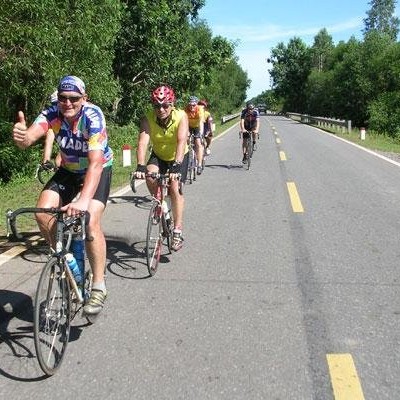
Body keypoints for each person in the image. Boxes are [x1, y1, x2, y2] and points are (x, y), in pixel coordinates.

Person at [12, 75, 113, 317]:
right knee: (43, 212)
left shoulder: (93, 116)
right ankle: (64, 256)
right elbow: (30, 137)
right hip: (68, 170)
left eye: (74, 99)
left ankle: (99, 285)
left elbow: (96, 164)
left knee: (90, 221)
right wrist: (22, 137)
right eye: (62, 98)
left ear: (84, 99)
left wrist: (82, 200)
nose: (67, 103)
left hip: (97, 169)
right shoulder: (52, 113)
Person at [134, 85, 189, 251]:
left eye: (165, 105)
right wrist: (140, 166)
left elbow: (181, 141)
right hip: (159, 155)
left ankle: (177, 230)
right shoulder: (148, 119)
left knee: (174, 187)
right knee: (150, 176)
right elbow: (143, 143)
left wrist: (177, 167)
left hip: (178, 156)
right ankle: (162, 206)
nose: (161, 109)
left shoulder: (181, 116)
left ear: (172, 104)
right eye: (157, 106)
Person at [185, 96, 205, 175]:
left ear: (196, 104)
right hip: (189, 126)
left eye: (193, 105)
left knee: (198, 142)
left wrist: (201, 133)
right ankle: (186, 159)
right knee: (185, 141)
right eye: (190, 105)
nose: (191, 107)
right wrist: (186, 133)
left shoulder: (200, 109)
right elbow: (184, 122)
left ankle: (199, 165)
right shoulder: (185, 110)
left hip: (197, 127)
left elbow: (201, 122)